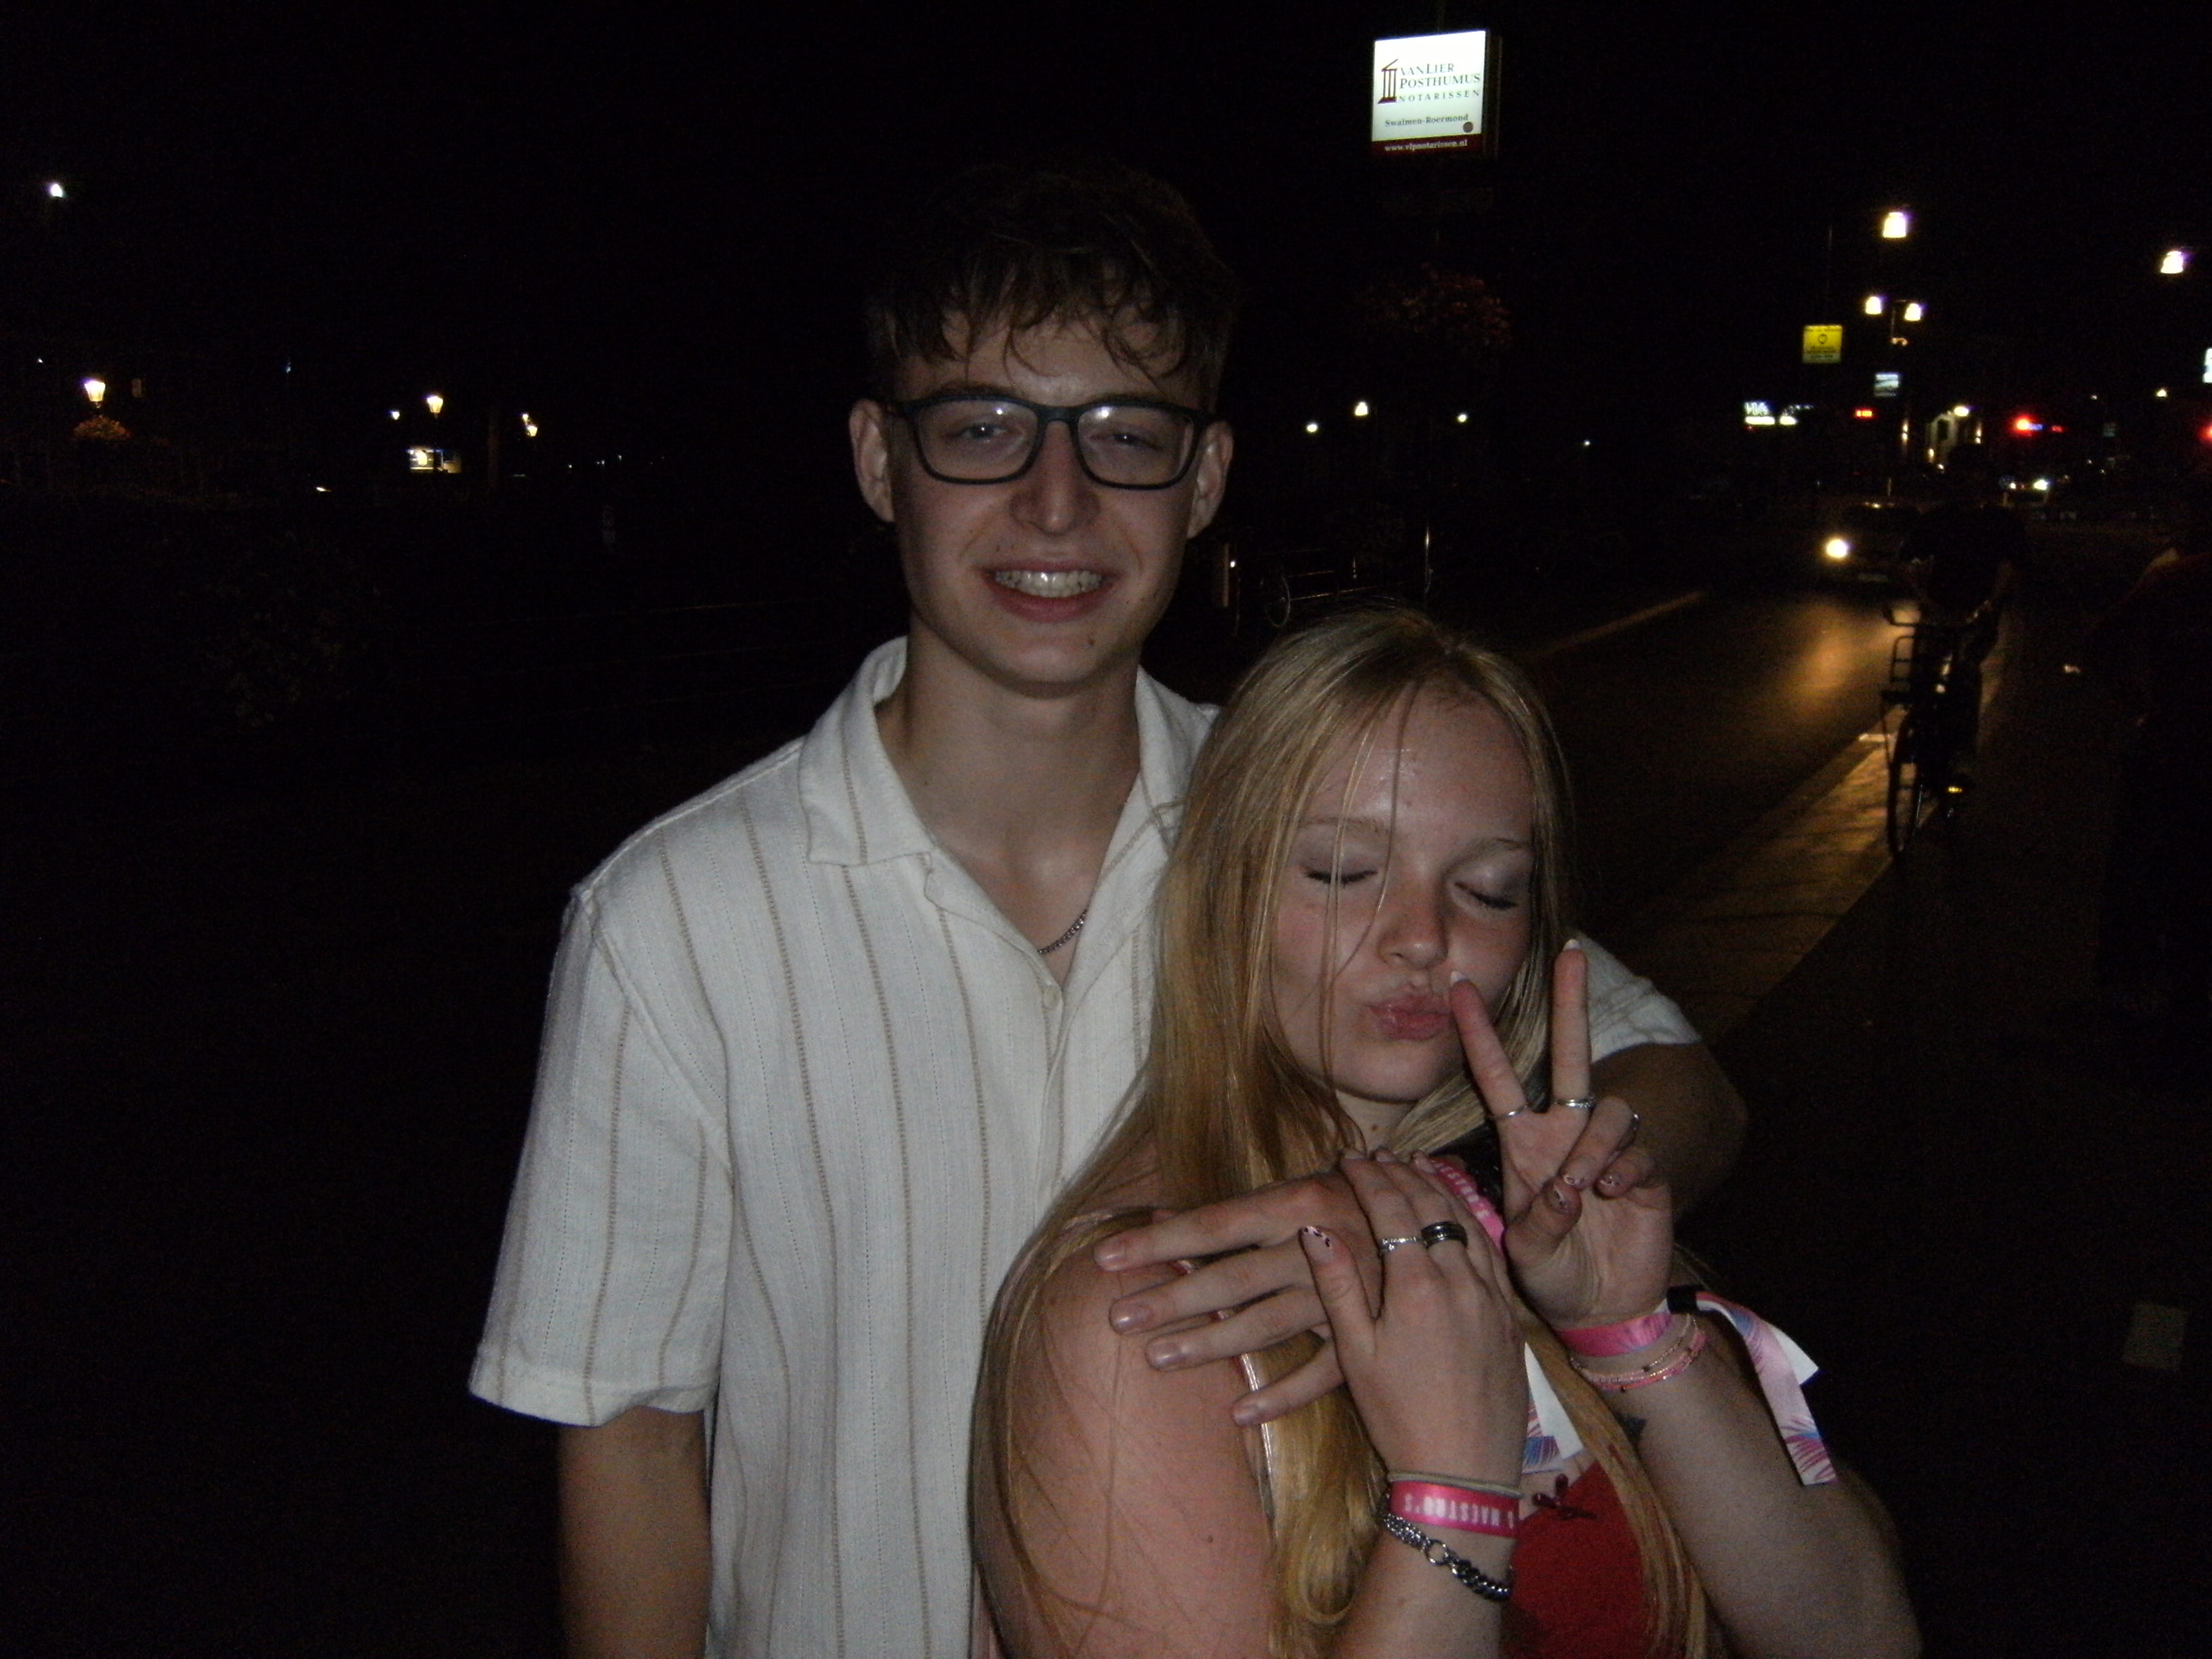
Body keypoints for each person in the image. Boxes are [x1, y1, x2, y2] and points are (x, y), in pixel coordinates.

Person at [470, 159, 1746, 1658]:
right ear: (880, 459)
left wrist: (1429, 1214)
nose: (1056, 500)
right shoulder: (672, 920)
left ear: (1205, 479)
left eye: (1126, 435)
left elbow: (1676, 1083)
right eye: (982, 428)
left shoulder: (1301, 821)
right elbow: (627, 1433)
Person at [974, 609, 1916, 1658]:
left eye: (1487, 889)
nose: (1425, 937)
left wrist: (1629, 1335)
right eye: (1341, 872)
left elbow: (1866, 1634)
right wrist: (1453, 1491)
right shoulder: (1138, 1315)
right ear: (1219, 890)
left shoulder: (1515, 1212)